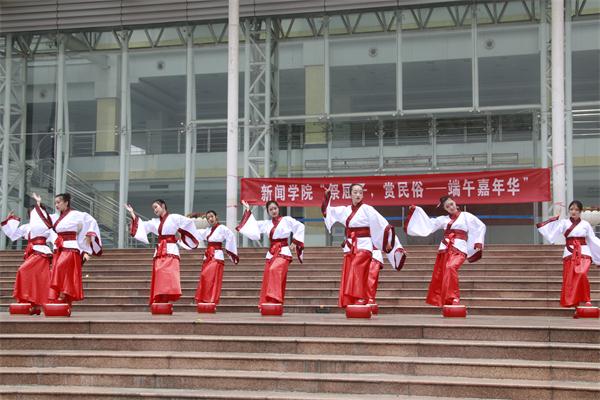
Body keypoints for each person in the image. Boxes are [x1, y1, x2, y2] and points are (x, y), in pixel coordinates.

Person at [322, 184, 406, 308]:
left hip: (365, 245)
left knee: (357, 268)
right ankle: (357, 299)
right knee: (353, 271)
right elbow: (328, 212)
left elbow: (383, 224)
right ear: (350, 194)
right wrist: (327, 197)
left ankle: (360, 297)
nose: (358, 195)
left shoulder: (368, 209)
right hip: (351, 246)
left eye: (360, 192)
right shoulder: (345, 210)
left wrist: (389, 242)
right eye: (355, 192)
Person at [404, 195, 485, 308]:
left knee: (451, 267)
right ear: (445, 209)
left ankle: (454, 297)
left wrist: (478, 242)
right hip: (445, 249)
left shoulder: (466, 216)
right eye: (447, 206)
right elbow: (428, 224)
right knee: (443, 274)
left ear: (455, 203)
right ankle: (448, 300)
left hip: (460, 248)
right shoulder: (443, 219)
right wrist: (416, 210)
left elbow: (480, 226)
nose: (451, 207)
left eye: (451, 204)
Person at [126, 200, 199, 305]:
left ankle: (167, 297)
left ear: (163, 205)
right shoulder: (154, 222)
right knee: (160, 274)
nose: (155, 210)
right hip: (160, 250)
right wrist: (132, 213)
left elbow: (189, 223)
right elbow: (142, 226)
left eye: (156, 207)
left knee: (170, 275)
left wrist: (181, 234)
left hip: (171, 249)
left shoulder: (174, 217)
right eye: (153, 208)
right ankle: (161, 298)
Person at [35, 192, 102, 306]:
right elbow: (45, 220)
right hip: (59, 248)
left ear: (66, 202)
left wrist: (89, 234)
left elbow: (92, 221)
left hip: (71, 247)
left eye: (58, 202)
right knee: (62, 273)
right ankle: (64, 298)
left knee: (60, 269)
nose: (56, 205)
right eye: (55, 203)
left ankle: (63, 295)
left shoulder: (76, 214)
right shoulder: (56, 217)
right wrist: (39, 204)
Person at [236, 200, 304, 308]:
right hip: (272, 252)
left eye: (275, 208)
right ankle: (268, 303)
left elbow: (300, 226)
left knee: (274, 270)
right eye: (270, 209)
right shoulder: (266, 224)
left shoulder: (287, 220)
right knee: (268, 277)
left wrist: (295, 242)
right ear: (268, 212)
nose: (273, 211)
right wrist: (248, 210)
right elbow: (252, 225)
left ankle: (275, 299)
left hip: (283, 250)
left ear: (278, 208)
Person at [537, 200, 600, 308]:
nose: (573, 211)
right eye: (571, 209)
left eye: (576, 209)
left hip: (584, 251)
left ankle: (586, 299)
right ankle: (574, 302)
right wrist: (556, 216)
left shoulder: (586, 224)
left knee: (582, 273)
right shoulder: (564, 223)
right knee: (570, 277)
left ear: (580, 211)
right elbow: (552, 231)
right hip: (569, 252)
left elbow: (592, 239)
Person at [1, 202, 54, 313]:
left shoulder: (46, 225)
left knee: (25, 271)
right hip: (32, 253)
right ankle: (33, 304)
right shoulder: (27, 227)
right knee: (32, 278)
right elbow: (13, 234)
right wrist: (9, 220)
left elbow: (55, 236)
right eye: (31, 213)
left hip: (41, 253)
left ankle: (36, 303)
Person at [190, 210, 239, 305]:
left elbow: (231, 236)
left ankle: (211, 300)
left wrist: (230, 251)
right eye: (208, 218)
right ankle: (204, 298)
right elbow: (196, 234)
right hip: (208, 256)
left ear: (216, 217)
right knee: (205, 277)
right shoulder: (208, 231)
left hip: (217, 256)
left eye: (211, 216)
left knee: (214, 279)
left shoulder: (222, 228)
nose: (210, 219)